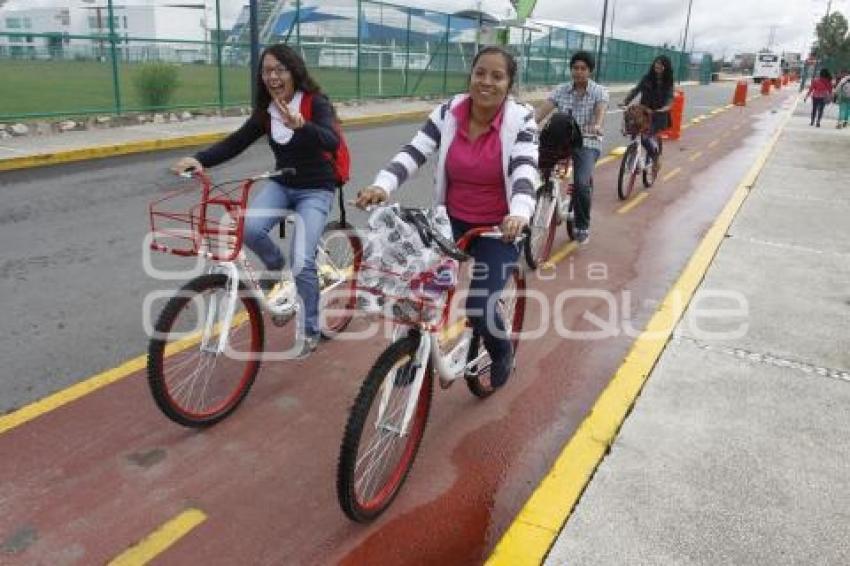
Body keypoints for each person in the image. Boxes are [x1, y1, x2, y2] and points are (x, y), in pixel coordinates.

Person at [356, 46, 538, 389]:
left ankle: (502, 351)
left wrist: (519, 212)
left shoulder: (521, 120)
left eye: (497, 76)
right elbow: (414, 152)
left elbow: (525, 170)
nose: (486, 82)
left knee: (480, 307)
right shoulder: (449, 112)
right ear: (471, 75)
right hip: (451, 220)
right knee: (418, 289)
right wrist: (382, 186)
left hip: (501, 228)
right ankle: (413, 352)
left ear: (509, 83)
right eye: (480, 73)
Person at [171, 44, 341, 358]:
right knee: (247, 228)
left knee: (303, 262)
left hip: (316, 188)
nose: (273, 77)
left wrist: (303, 126)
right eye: (266, 71)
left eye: (279, 70)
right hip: (282, 183)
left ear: (294, 71)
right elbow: (237, 141)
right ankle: (276, 270)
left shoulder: (315, 103)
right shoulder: (267, 112)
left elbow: (332, 140)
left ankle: (311, 329)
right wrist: (200, 159)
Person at [535, 51, 609, 245]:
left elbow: (600, 111)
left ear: (590, 71)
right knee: (535, 169)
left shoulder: (599, 91)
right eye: (575, 68)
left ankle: (582, 225)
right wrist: (529, 124)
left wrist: (597, 125)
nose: (578, 72)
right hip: (562, 140)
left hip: (587, 141)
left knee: (582, 183)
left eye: (583, 68)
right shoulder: (561, 90)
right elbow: (543, 110)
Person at [621, 55, 675, 176]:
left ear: (666, 68)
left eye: (661, 64)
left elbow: (670, 99)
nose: (658, 66)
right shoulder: (647, 78)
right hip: (643, 112)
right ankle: (634, 156)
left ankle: (655, 158)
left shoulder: (668, 82)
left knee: (645, 137)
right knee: (634, 129)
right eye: (656, 63)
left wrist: (663, 109)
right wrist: (625, 102)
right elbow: (636, 90)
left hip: (658, 115)